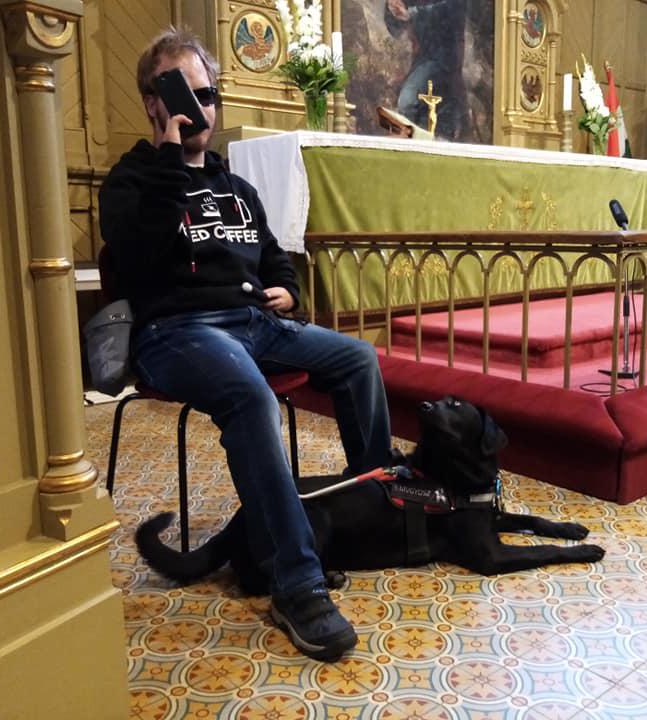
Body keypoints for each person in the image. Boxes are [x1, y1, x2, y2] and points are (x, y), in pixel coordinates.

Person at [99, 27, 393, 662]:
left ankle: (374, 511)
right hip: (177, 331)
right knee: (252, 397)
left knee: (359, 358)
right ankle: (298, 583)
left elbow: (271, 256)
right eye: (181, 94)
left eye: (207, 95)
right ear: (152, 102)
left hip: (253, 322)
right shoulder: (132, 180)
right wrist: (169, 159)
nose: (198, 109)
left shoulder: (237, 188)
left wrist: (288, 289)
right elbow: (136, 253)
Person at [384, 0, 467, 140]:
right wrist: (393, 9)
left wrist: (412, 14)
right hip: (421, 59)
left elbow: (453, 7)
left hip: (443, 58)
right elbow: (395, 27)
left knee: (408, 101)